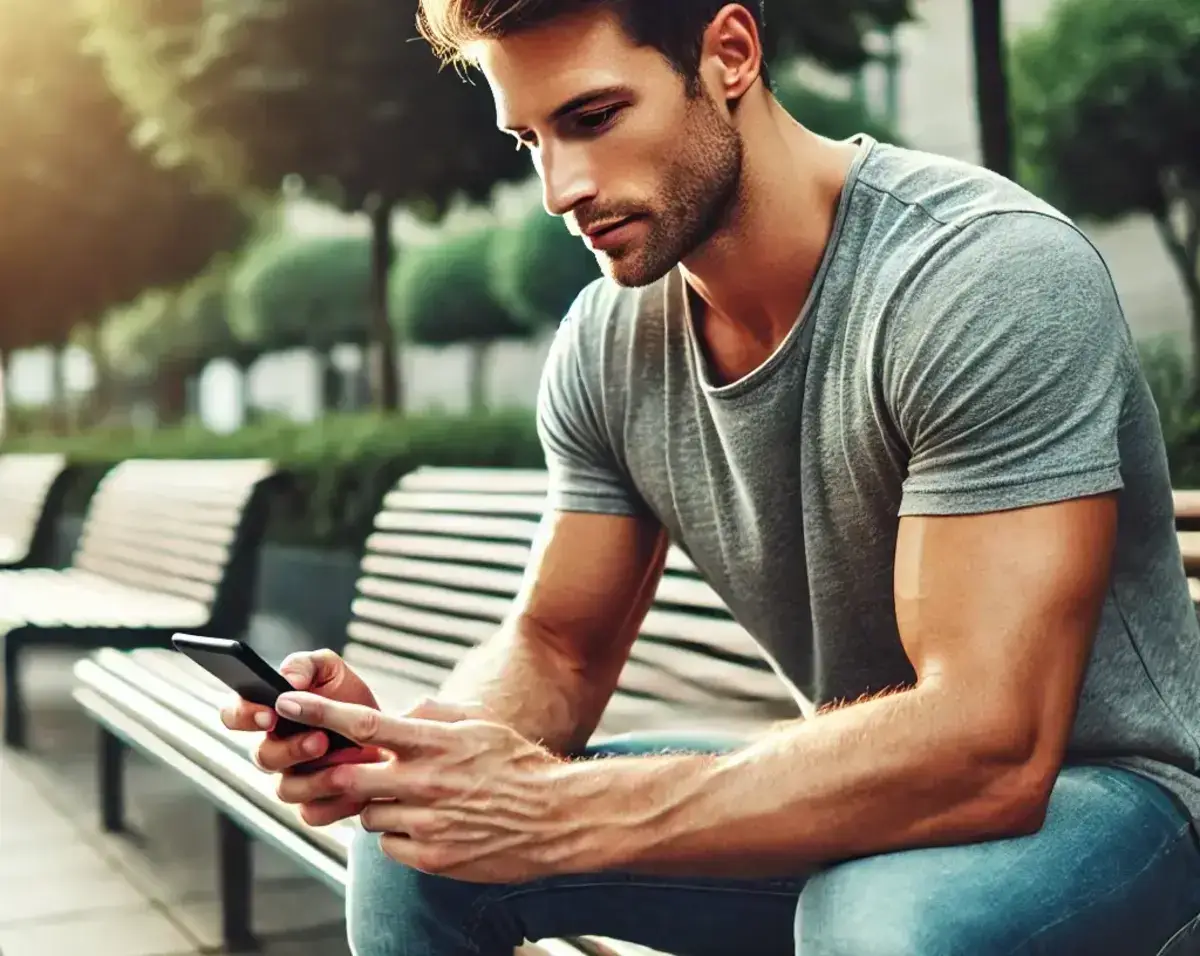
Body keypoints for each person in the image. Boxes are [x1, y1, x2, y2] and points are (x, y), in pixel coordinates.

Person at [221, 1, 1200, 953]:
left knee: (879, 917)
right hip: (861, 796)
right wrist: (425, 750)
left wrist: (560, 810)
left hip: (1115, 800)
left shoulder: (981, 276)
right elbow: (557, 645)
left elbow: (990, 743)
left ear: (729, 53)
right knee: (423, 849)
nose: (560, 188)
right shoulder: (610, 344)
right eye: (529, 141)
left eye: (592, 118)